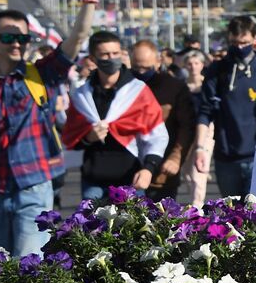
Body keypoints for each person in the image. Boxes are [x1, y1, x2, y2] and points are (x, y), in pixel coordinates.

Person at [0, 0, 100, 257]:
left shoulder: (42, 74)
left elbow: (77, 38)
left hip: (34, 187)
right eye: (9, 37)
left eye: (23, 37)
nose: (17, 43)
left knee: (29, 265)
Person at [63, 31, 168, 201]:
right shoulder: (82, 95)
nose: (111, 58)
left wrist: (149, 169)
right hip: (93, 181)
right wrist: (88, 138)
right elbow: (70, 137)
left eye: (115, 53)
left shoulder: (138, 92)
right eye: (105, 54)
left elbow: (157, 135)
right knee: (91, 227)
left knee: (133, 228)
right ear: (93, 58)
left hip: (130, 180)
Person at [195, 16, 256, 198]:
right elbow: (205, 112)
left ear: (254, 39)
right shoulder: (218, 70)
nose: (239, 47)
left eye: (244, 42)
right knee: (231, 218)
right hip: (226, 157)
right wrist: (200, 148)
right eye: (234, 42)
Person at [130, 40, 196, 202]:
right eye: (136, 67)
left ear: (158, 62)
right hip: (126, 170)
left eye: (146, 67)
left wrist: (176, 157)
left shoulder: (173, 87)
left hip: (161, 172)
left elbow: (186, 126)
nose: (141, 71)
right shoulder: (124, 85)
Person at [181, 50, 212, 208]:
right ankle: (194, 198)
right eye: (190, 64)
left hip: (205, 131)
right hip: (186, 131)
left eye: (196, 63)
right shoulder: (182, 86)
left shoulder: (207, 84)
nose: (193, 67)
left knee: (197, 171)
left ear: (202, 65)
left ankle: (196, 205)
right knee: (186, 171)